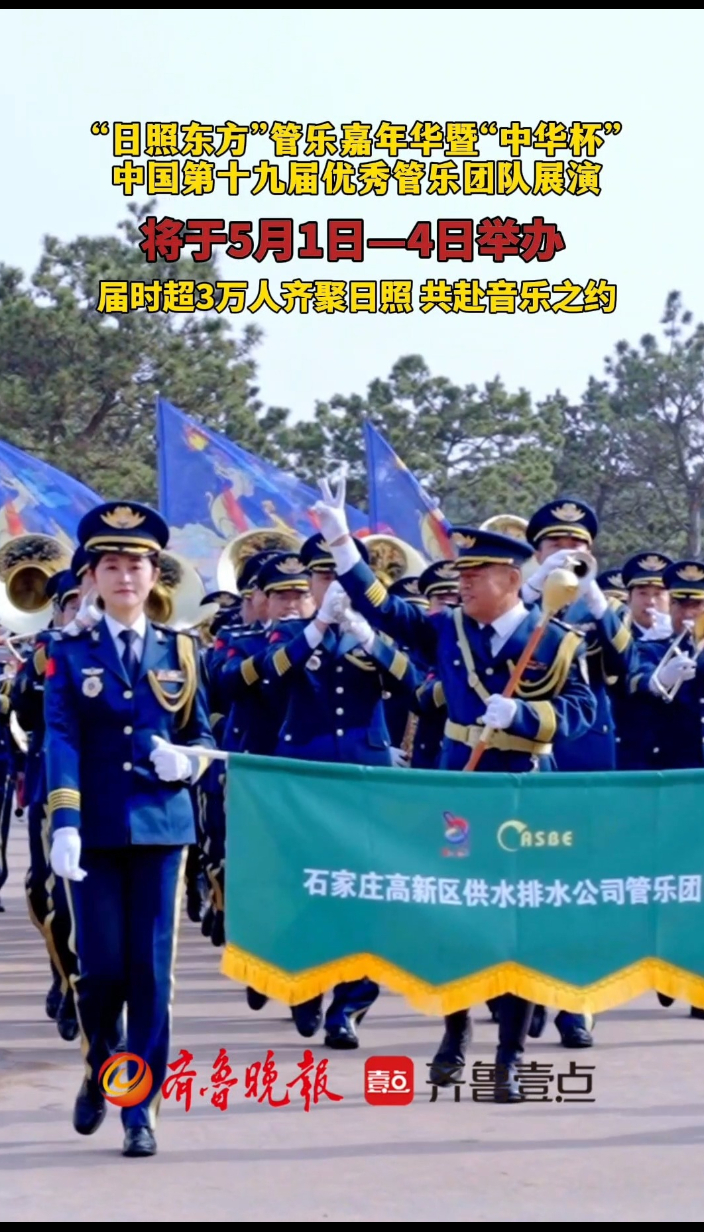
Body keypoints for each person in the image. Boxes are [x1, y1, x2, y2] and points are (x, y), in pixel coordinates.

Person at [309, 477, 596, 1098]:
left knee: (517, 924)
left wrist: (524, 716)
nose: (463, 583)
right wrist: (341, 543)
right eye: (461, 573)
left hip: (524, 794)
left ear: (512, 579)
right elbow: (384, 608)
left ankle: (511, 1055)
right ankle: (455, 1029)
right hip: (460, 792)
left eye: (476, 573)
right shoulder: (448, 630)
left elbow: (581, 711)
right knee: (457, 917)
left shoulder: (557, 639)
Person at [45, 501, 214, 1158]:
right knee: (101, 972)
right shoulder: (68, 651)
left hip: (161, 829)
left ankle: (138, 1107)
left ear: (154, 575)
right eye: (111, 565)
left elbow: (201, 733)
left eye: (136, 565)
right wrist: (65, 821)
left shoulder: (182, 650)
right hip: (93, 829)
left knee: (150, 973)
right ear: (92, 576)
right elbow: (60, 735)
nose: (124, 576)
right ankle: (100, 1066)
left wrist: (191, 761)